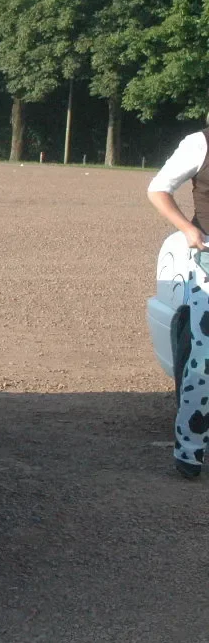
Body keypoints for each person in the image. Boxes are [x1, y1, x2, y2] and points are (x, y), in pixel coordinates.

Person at [147, 131, 209, 480]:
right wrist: (187, 228)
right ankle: (190, 452)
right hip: (208, 263)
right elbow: (158, 188)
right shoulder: (200, 144)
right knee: (204, 361)